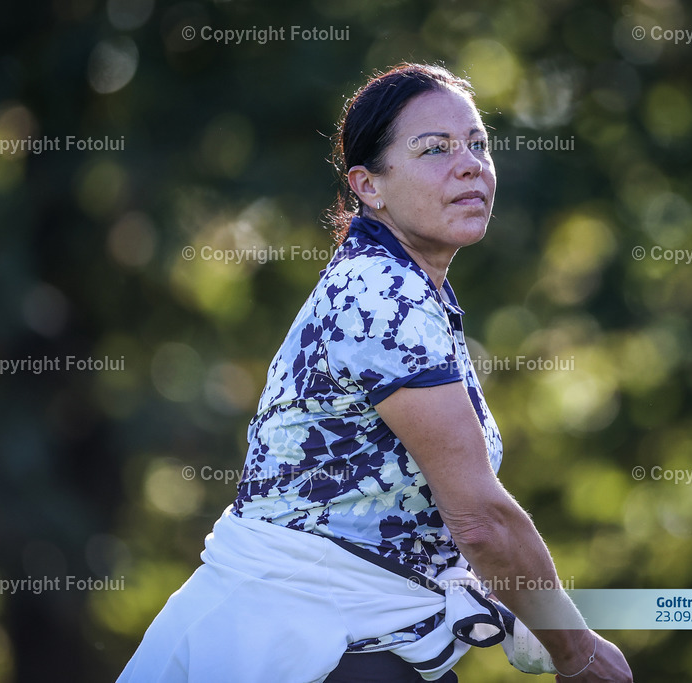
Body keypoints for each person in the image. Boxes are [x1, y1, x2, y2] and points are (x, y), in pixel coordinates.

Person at [118, 63, 633, 683]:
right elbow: (480, 522)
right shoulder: (381, 295)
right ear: (369, 186)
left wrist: (519, 601)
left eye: (477, 144)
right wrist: (577, 654)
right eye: (435, 149)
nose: (470, 165)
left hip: (338, 643)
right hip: (294, 649)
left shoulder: (400, 284)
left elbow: (406, 520)